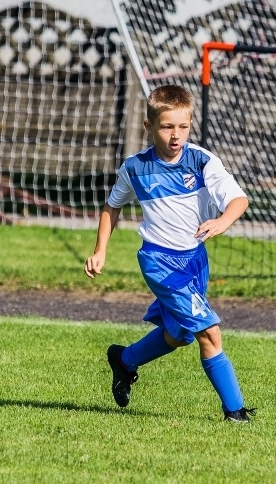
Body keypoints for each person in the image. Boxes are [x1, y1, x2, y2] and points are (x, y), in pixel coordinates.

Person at [84, 84, 255, 422]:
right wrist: (100, 249)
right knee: (210, 331)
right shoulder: (135, 168)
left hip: (194, 259)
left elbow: (239, 199)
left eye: (183, 127)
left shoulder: (202, 161)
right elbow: (112, 206)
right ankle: (235, 412)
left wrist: (223, 220)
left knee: (179, 335)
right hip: (159, 261)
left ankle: (125, 360)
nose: (176, 135)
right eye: (167, 127)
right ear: (149, 127)